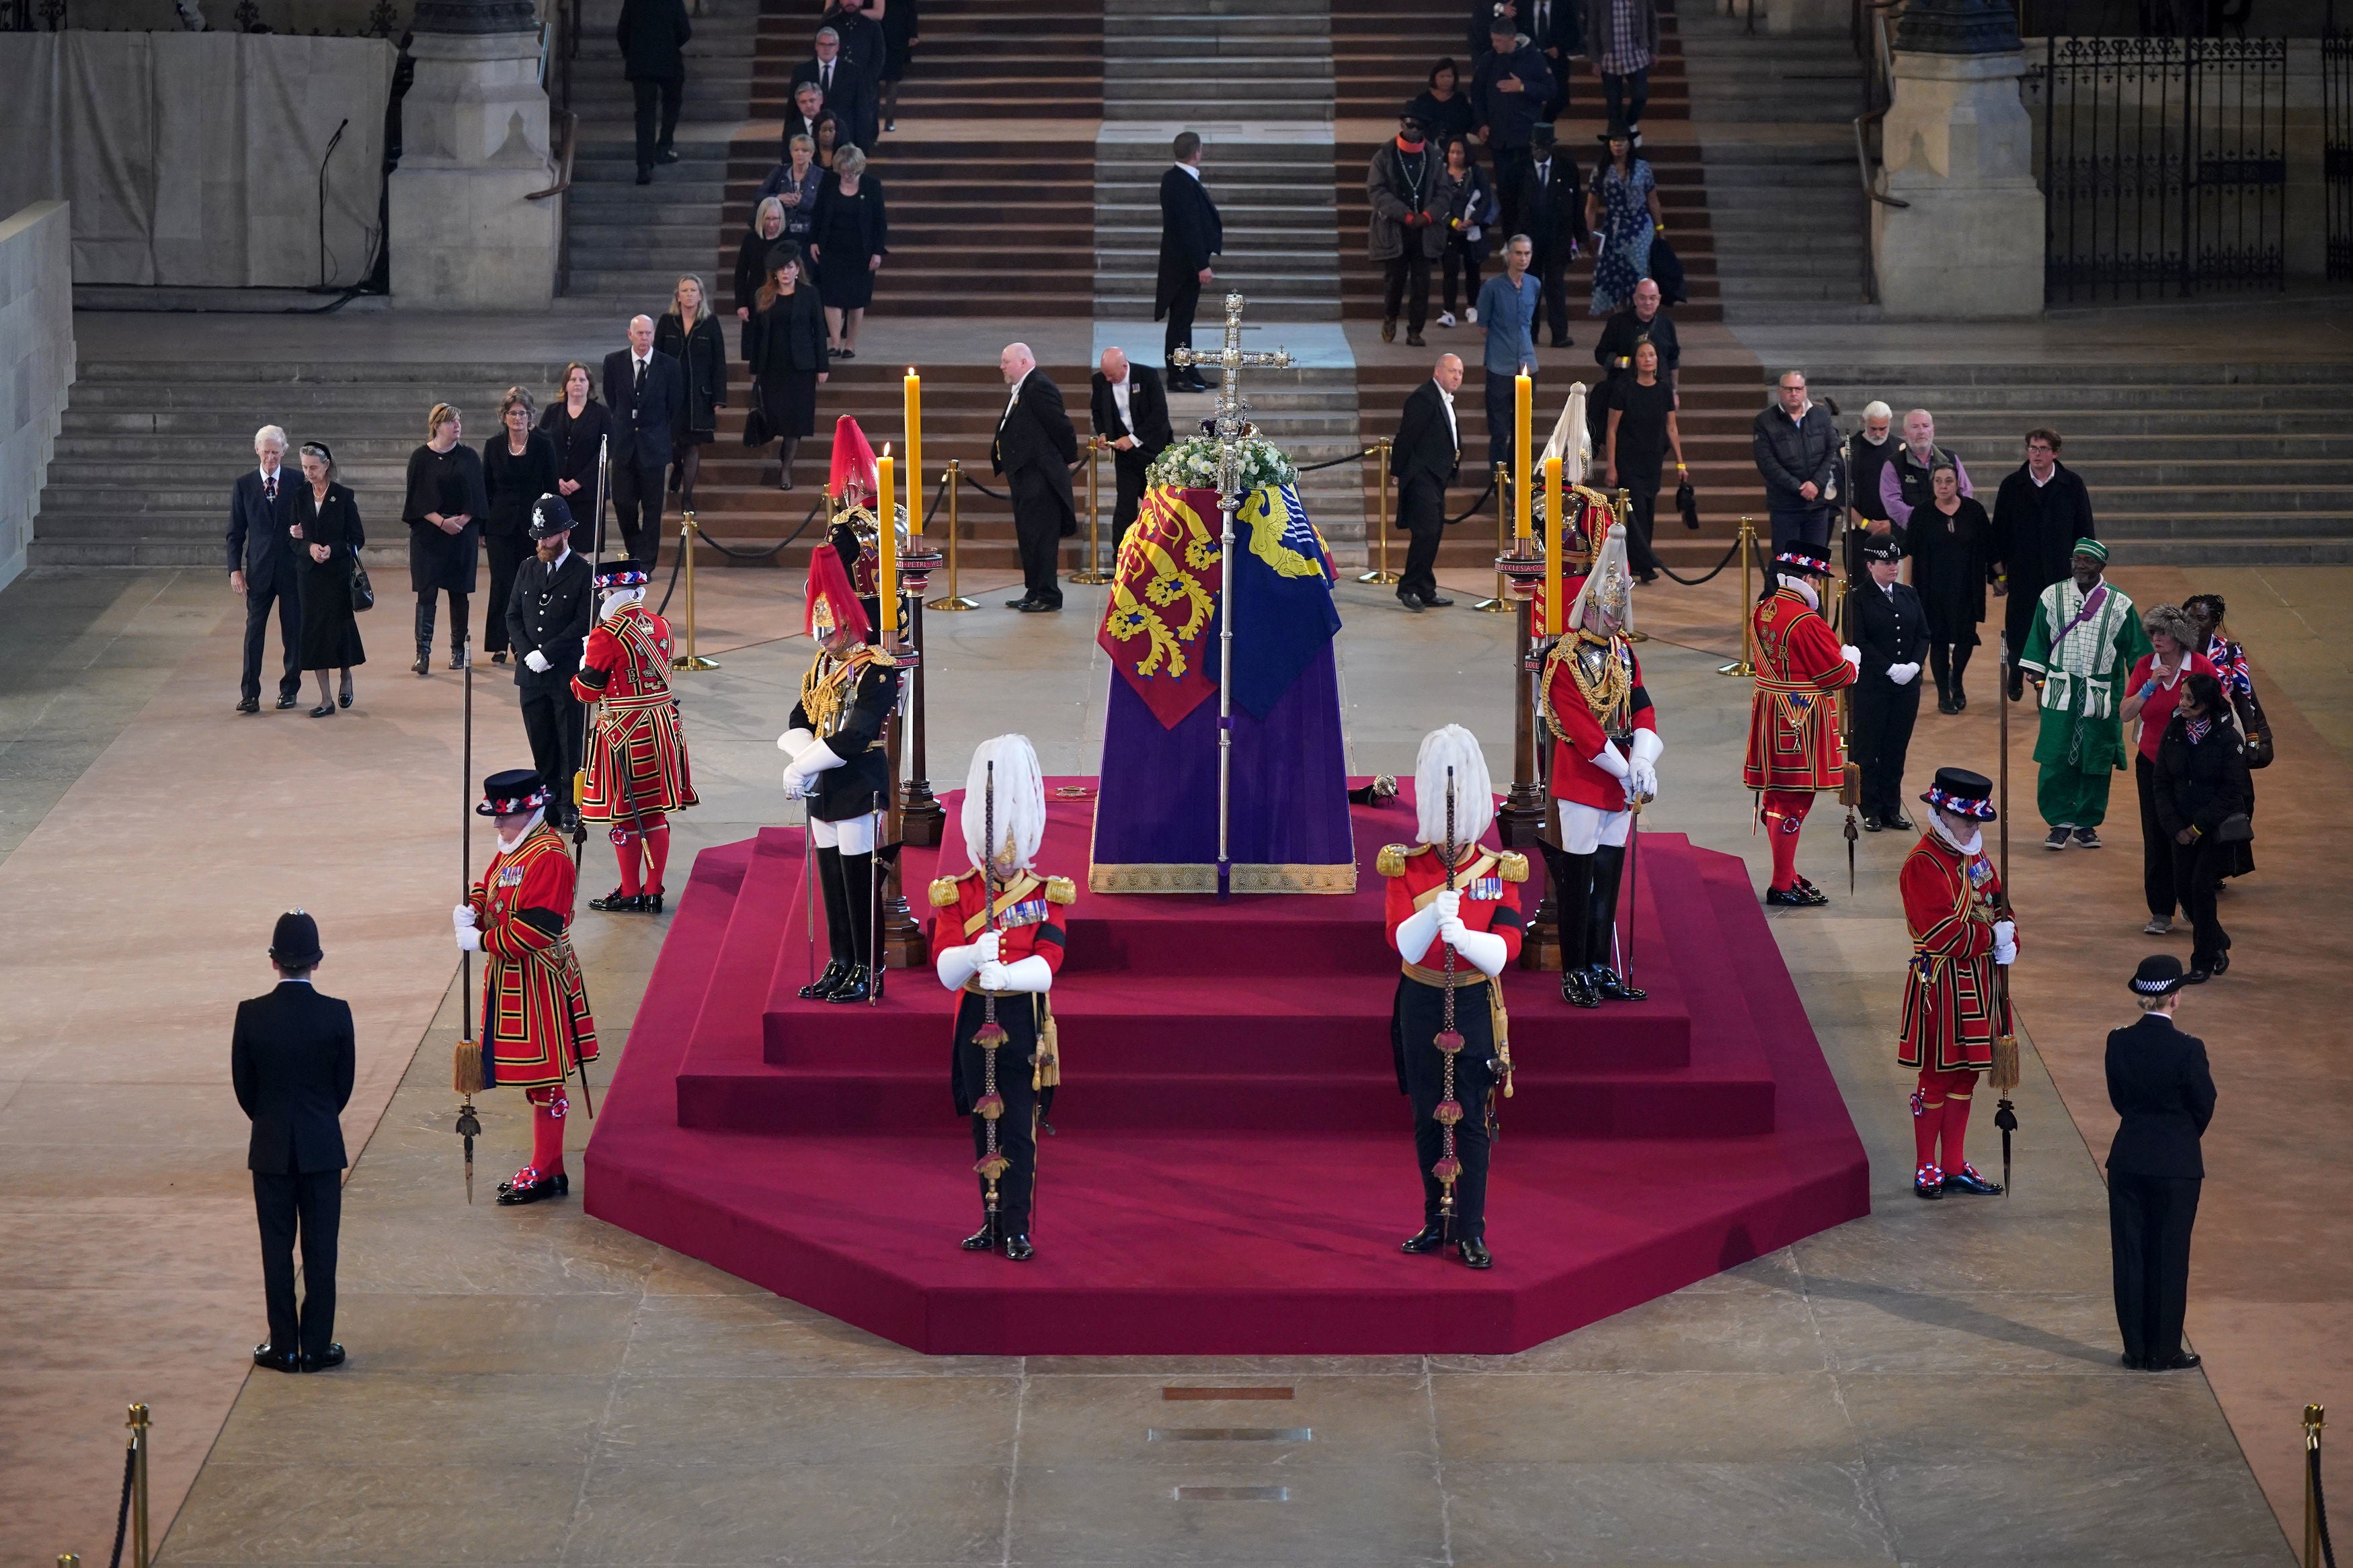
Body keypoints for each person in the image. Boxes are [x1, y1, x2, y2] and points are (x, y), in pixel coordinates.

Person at [1380, 725, 1527, 1271]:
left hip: (1471, 1002)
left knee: (1471, 1122)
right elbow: (1399, 940)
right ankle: (1433, 1218)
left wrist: (1463, 935)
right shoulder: (1407, 864)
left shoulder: (1497, 870)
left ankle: (1471, 1228)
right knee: (1425, 1116)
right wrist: (1431, 916)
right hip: (1420, 1001)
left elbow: (1507, 948)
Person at [929, 734, 1070, 1261]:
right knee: (982, 1125)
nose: (1004, 863)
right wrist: (971, 957)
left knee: (1017, 1129)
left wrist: (1003, 973)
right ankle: (988, 1220)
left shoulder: (1045, 893)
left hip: (1018, 1017)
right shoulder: (958, 891)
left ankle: (1017, 1225)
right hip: (972, 1019)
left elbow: (1049, 965)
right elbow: (944, 967)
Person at [454, 769, 600, 1206]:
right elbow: (491, 883)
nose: (497, 826)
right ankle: (549, 1168)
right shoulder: (517, 846)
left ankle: (544, 1168)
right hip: (512, 979)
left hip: (539, 979)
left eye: (504, 817)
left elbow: (538, 928)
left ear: (530, 810)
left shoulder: (550, 856)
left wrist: (481, 939)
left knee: (546, 1079)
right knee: (538, 1082)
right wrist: (473, 910)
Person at [1539, 529, 1661, 1007]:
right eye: (1609, 611)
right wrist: (1628, 769)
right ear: (1589, 606)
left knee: (1609, 874)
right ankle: (1574, 970)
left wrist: (1644, 759)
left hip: (1618, 779)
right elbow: (1585, 734)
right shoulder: (1562, 661)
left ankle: (1599, 963)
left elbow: (1644, 708)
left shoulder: (1624, 654)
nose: (1616, 620)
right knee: (1578, 875)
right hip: (1584, 780)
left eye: (1619, 611)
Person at [781, 537, 904, 1003]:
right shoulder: (821, 667)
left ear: (849, 622)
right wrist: (801, 763)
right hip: (824, 787)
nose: (823, 640)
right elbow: (799, 718)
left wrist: (805, 763)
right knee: (831, 879)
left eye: (829, 631)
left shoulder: (876, 671)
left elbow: (856, 736)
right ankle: (842, 959)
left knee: (859, 882)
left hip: (857, 785)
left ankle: (868, 968)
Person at [232, 909, 354, 1374]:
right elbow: (342, 1085)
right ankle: (317, 1346)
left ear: (273, 961)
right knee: (322, 1249)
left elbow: (245, 1086)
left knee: (276, 1249)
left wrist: (270, 1120)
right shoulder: (336, 1013)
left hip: (270, 1146)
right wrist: (318, 1119)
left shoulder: (251, 1014)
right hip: (323, 1145)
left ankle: (284, 1346)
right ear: (317, 962)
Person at [1897, 768, 2016, 1199]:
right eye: (1970, 821)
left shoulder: (1976, 856)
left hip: (1980, 982)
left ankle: (1953, 1163)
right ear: (1944, 815)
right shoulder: (1922, 864)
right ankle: (1925, 1163)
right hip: (1942, 984)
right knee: (1937, 1075)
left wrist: (2010, 934)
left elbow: (1999, 901)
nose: (1976, 829)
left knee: (1966, 1075)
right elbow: (1941, 934)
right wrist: (1992, 938)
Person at [2107, 954, 2217, 1370]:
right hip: (2177, 1164)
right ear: (2175, 997)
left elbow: (2120, 1099)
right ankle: (2164, 1349)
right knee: (2170, 1255)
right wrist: (2181, 1138)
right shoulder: (2189, 1048)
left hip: (2129, 1157)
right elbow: (2203, 1103)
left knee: (2131, 1254)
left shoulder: (2118, 1040)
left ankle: (2136, 1348)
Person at [572, 563, 698, 914]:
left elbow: (587, 691)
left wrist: (583, 665)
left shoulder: (605, 635)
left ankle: (630, 891)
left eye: (604, 594)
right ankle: (654, 889)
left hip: (625, 733)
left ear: (612, 595)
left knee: (625, 815)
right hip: (664, 728)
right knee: (655, 811)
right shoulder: (663, 625)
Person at [2018, 538, 2150, 851]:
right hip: (2061, 688)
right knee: (2055, 754)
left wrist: (2141, 690)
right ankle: (2060, 821)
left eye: (2087, 561)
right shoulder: (2052, 595)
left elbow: (2138, 653)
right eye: (2076, 559)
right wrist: (2035, 670)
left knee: (2097, 757)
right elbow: (2039, 634)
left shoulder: (2121, 604)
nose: (2079, 565)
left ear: (2101, 566)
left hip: (2102, 692)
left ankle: (2087, 823)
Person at [1745, 547, 1856, 905]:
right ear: (1807, 578)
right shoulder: (1806, 621)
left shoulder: (1763, 609)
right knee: (1793, 800)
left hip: (1771, 715)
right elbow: (1835, 675)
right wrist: (1852, 661)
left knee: (1779, 796)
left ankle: (1787, 872)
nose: (1820, 588)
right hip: (1799, 720)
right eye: (1819, 580)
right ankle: (1781, 883)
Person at [2121, 604, 2217, 937]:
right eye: (2153, 633)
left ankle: (2192, 904)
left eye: (2163, 633)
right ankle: (2161, 910)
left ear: (2179, 638)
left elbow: (2218, 709)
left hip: (2192, 766)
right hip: (2152, 764)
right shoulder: (2145, 666)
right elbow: (2125, 714)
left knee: (2190, 834)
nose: (2156, 639)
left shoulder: (2201, 667)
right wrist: (2149, 686)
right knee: (2157, 834)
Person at [2151, 671, 2249, 982]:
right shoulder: (2174, 731)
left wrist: (2198, 827)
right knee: (2182, 888)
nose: (2182, 703)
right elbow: (2161, 782)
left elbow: (2234, 791)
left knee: (2200, 888)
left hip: (2213, 831)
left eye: (2189, 699)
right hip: (2180, 829)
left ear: (2206, 704)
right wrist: (2175, 826)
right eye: (2181, 697)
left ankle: (2202, 960)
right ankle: (2216, 940)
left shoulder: (2227, 738)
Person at [507, 496, 596, 833]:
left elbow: (583, 623)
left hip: (565, 675)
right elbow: (513, 615)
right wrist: (527, 652)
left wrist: (549, 654)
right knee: (541, 742)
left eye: (548, 536)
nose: (541, 542)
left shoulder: (583, 573)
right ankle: (548, 801)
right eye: (539, 536)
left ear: (565, 534)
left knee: (569, 742)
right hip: (531, 675)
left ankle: (570, 804)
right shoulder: (528, 568)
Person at [1992, 428, 2095, 698]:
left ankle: (2045, 687)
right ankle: (2016, 671)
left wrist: (2085, 571)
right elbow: (1999, 533)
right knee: (2020, 628)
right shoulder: (2011, 485)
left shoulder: (2072, 485)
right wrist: (1997, 574)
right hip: (2022, 572)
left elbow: (2084, 531)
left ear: (2055, 453)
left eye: (2043, 449)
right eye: (2032, 448)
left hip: (2060, 573)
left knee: (2056, 629)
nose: (2036, 454)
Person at [993, 341, 1079, 613]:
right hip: (1026, 478)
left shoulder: (1039, 385)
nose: (1002, 367)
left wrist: (1065, 459)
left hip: (1041, 479)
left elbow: (1061, 425)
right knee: (1029, 537)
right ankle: (1034, 590)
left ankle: (1049, 595)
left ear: (1023, 361)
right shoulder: (1024, 387)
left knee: (1042, 538)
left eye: (1006, 361)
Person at [2184, 591, 2263, 882]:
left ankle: (2218, 863)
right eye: (2189, 617)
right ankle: (2193, 862)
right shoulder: (2175, 651)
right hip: (2187, 736)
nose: (2194, 623)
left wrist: (2252, 741)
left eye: (2201, 617)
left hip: (2225, 737)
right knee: (2193, 800)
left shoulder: (2230, 651)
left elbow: (2244, 698)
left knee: (2240, 798)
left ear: (2215, 621)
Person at [402, 403, 487, 677]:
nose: (457, 426)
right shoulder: (420, 457)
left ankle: (458, 651)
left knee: (458, 592)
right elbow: (415, 499)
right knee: (426, 592)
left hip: (461, 533)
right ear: (437, 425)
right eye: (451, 422)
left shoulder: (469, 457)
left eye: (459, 421)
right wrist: (441, 522)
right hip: (428, 534)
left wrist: (460, 521)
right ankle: (422, 653)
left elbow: (478, 496)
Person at [227, 424, 305, 713]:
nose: (271, 458)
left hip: (292, 567)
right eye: (266, 452)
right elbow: (235, 533)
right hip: (258, 571)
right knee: (254, 632)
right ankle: (250, 694)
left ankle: (290, 689)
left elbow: (311, 520)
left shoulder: (299, 481)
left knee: (293, 631)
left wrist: (304, 534)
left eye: (276, 452)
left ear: (284, 451)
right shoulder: (244, 485)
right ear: (257, 450)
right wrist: (234, 570)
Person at [1849, 536, 1924, 831]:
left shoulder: (1908, 594)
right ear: (1870, 565)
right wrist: (1891, 667)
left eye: (1896, 561)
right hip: (1873, 687)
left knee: (1896, 749)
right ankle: (1870, 808)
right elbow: (1858, 641)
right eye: (1886, 563)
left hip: (1906, 688)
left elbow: (1923, 634)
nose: (1894, 567)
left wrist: (1914, 666)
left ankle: (1892, 808)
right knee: (1869, 749)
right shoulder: (1858, 597)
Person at [481, 388, 557, 668]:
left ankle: (522, 643)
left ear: (530, 416)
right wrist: (481, 529)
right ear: (504, 417)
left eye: (522, 413)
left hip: (533, 528)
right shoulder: (493, 446)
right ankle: (498, 643)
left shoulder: (543, 445)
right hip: (499, 527)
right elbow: (485, 490)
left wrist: (549, 530)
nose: (517, 418)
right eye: (512, 413)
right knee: (502, 584)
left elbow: (550, 488)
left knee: (530, 585)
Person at [1910, 459, 1993, 714]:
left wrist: (1999, 577)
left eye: (1949, 481)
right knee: (1938, 639)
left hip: (1967, 587)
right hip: (1931, 588)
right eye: (1938, 481)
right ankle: (1944, 695)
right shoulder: (1922, 514)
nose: (1943, 486)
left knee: (1966, 638)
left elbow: (1989, 546)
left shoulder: (1974, 511)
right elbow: (1909, 551)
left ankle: (1956, 680)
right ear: (1932, 485)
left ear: (1958, 484)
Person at [602, 315, 686, 568]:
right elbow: (612, 399)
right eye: (640, 333)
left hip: (654, 445)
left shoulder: (669, 366)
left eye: (649, 334)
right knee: (623, 503)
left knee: (652, 509)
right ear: (630, 334)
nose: (645, 338)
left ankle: (646, 563)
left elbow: (674, 405)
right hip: (624, 444)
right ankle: (635, 549)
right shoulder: (614, 362)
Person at [290, 441, 366, 716]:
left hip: (336, 576)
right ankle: (325, 699)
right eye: (304, 468)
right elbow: (292, 538)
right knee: (314, 633)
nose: (309, 473)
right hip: (308, 576)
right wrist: (308, 547)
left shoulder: (343, 496)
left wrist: (332, 549)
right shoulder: (299, 496)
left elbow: (357, 538)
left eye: (313, 468)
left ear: (327, 466)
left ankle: (346, 676)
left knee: (340, 628)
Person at [746, 243, 830, 491]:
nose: (785, 272)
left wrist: (822, 367)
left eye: (790, 267)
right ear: (774, 272)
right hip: (772, 367)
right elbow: (757, 334)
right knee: (777, 415)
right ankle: (782, 456)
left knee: (796, 420)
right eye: (781, 268)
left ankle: (786, 469)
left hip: (801, 367)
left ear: (797, 269)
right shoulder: (764, 295)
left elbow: (819, 332)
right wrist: (754, 368)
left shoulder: (809, 294)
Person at [1603, 338, 1681, 582]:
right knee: (1636, 511)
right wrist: (1612, 466)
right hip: (1628, 461)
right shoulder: (1624, 389)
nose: (1648, 359)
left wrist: (1681, 462)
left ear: (1657, 360)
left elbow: (1672, 428)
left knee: (1648, 510)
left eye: (1652, 355)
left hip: (1652, 461)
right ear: (1635, 361)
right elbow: (1612, 430)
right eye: (1643, 355)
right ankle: (1643, 564)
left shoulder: (1663, 390)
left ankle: (1640, 562)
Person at [1392, 353, 1465, 612]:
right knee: (1425, 532)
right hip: (1420, 476)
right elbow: (1406, 436)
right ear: (1438, 372)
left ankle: (1425, 587)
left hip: (1436, 478)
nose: (1457, 377)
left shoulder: (1443, 398)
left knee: (1432, 533)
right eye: (1453, 371)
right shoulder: (1423, 398)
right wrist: (1397, 470)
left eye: (1460, 373)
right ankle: (1409, 587)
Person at [1369, 107, 1443, 347]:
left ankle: (1415, 331)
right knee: (1395, 281)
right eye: (1410, 125)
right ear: (1401, 124)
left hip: (1425, 230)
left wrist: (1428, 215)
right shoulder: (1385, 155)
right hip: (1395, 229)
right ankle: (1390, 317)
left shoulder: (1433, 156)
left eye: (1419, 128)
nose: (1414, 131)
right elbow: (1377, 191)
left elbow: (1444, 192)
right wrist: (1405, 215)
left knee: (1422, 284)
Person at [654, 275, 728, 510]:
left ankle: (688, 496)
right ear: (678, 295)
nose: (688, 294)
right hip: (672, 394)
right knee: (674, 442)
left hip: (700, 394)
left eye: (693, 290)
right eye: (684, 290)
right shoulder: (667, 322)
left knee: (694, 445)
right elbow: (657, 358)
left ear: (700, 295)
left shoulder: (710, 322)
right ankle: (677, 468)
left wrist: (719, 397)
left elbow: (719, 362)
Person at [1157, 132, 1223, 392]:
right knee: (1180, 322)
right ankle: (1178, 375)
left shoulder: (1176, 179)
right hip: (1182, 267)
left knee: (1184, 321)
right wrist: (1201, 264)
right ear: (1197, 153)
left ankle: (1188, 370)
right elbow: (1189, 227)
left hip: (1181, 264)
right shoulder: (1181, 182)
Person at [809, 145, 887, 359]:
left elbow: (880, 222)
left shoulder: (872, 186)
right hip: (832, 249)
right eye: (843, 171)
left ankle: (850, 344)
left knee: (856, 299)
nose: (847, 176)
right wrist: (814, 241)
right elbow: (818, 213)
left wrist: (878, 252)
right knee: (831, 297)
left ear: (860, 168)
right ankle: (834, 342)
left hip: (861, 252)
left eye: (852, 172)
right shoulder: (829, 182)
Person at [1751, 370, 1840, 554]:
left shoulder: (1821, 414)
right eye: (1789, 389)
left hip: (1817, 505)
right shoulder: (1765, 421)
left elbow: (1832, 451)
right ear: (1780, 391)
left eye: (1798, 389)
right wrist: (1800, 488)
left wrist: (1816, 484)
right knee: (1787, 566)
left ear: (1805, 391)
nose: (1794, 393)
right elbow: (1767, 463)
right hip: (1785, 507)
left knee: (1815, 565)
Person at [1090, 346, 1174, 540]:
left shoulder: (1147, 376)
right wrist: (1103, 433)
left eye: (1111, 375)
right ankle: (1120, 559)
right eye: (1105, 375)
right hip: (1126, 456)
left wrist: (1133, 439)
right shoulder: (1100, 381)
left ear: (1125, 366)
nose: (1108, 379)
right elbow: (1098, 412)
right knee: (1124, 508)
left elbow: (1160, 414)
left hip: (1154, 452)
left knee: (1158, 505)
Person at [1472, 15, 1552, 216]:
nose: (1495, 44)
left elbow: (1551, 90)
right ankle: (1510, 236)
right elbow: (1478, 95)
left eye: (1499, 40)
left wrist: (1524, 87)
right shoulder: (1488, 60)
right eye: (1493, 40)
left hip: (1526, 137)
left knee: (1529, 188)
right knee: (1506, 189)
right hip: (1500, 137)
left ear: (1512, 38)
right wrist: (1481, 124)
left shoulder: (1533, 58)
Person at [1474, 233, 1540, 473]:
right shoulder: (1492, 287)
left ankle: (1518, 478)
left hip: (1528, 363)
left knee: (1523, 429)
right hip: (1499, 365)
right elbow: (1483, 326)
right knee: (1500, 430)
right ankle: (1500, 480)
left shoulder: (1534, 284)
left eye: (1527, 253)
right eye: (1519, 253)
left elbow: (1530, 321)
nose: (1523, 258)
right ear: (1509, 256)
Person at [1589, 276, 1678, 447]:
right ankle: (1584, 457)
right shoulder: (1618, 323)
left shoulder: (1666, 325)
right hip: (1624, 386)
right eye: (1643, 298)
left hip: (1657, 389)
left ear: (1658, 300)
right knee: (1600, 396)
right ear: (1635, 299)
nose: (1647, 303)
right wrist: (1626, 362)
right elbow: (1601, 354)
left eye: (1652, 298)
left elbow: (1673, 360)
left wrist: (1674, 391)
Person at [1514, 124, 1581, 349]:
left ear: (1551, 146)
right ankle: (1529, 334)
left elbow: (1576, 205)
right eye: (1534, 146)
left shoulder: (1566, 168)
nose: (1538, 151)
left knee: (1555, 286)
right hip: (1528, 239)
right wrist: (1512, 238)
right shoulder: (1520, 168)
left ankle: (1559, 334)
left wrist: (1579, 237)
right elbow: (1510, 204)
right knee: (1529, 288)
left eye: (1542, 146)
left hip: (1557, 238)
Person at [1585, 124, 1661, 319]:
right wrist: (1589, 233)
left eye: (1622, 140)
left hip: (1640, 226)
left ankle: (1640, 314)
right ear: (1609, 144)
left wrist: (1660, 228)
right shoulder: (1601, 170)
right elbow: (1592, 206)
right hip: (1614, 228)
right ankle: (1620, 318)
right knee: (1614, 272)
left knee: (1638, 269)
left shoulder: (1642, 168)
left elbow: (1652, 200)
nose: (1618, 144)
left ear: (1629, 143)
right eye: (1614, 141)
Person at [614, 0, 690, 185]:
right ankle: (664, 146)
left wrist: (630, 53)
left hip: (641, 63)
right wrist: (670, 42)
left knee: (645, 114)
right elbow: (685, 31)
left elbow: (622, 32)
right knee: (672, 103)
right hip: (668, 60)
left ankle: (644, 166)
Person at [538, 363, 613, 544]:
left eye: (582, 379)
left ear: (589, 384)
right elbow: (542, 447)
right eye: (573, 379)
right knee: (555, 544)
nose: (577, 383)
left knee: (584, 545)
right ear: (566, 384)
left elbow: (606, 450)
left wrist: (579, 482)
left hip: (588, 491)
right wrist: (556, 479)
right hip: (557, 489)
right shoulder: (552, 411)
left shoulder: (601, 413)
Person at [1435, 134, 1496, 330]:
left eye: (1459, 152)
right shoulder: (1441, 173)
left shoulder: (1475, 172)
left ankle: (1472, 307)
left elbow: (1486, 198)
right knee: (1450, 272)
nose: (1455, 156)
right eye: (1452, 152)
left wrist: (1472, 220)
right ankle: (1449, 312)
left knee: (1473, 270)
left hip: (1472, 230)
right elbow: (1437, 201)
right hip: (1450, 230)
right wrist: (1453, 221)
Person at [1878, 407, 1971, 532]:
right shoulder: (1893, 464)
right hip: (1910, 538)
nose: (1921, 431)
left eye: (1926, 426)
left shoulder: (1950, 458)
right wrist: (1925, 521)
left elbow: (1966, 491)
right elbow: (1892, 504)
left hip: (1950, 534)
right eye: (1915, 427)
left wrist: (1952, 516)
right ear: (1905, 432)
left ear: (1933, 430)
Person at [792, 28, 878, 152]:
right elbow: (793, 110)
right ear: (816, 46)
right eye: (822, 44)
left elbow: (861, 110)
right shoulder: (802, 72)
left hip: (844, 139)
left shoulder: (853, 72)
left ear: (838, 47)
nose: (827, 48)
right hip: (810, 140)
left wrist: (863, 145)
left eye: (831, 45)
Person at [1585, 0, 1657, 135]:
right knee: (1613, 104)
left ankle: (1629, 124)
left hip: (1637, 55)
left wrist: (1653, 50)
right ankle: (1614, 138)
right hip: (1610, 58)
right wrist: (1595, 59)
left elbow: (1652, 21)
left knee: (1640, 96)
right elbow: (1593, 27)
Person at [1843, 400, 1897, 580]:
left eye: (1883, 428)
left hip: (1893, 530)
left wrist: (1892, 524)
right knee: (1859, 585)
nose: (1878, 433)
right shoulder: (1847, 450)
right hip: (1858, 531)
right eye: (1874, 428)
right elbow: (1839, 496)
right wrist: (1867, 525)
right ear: (1863, 422)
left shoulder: (1899, 449)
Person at [733, 195, 792, 361]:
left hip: (781, 298)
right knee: (755, 349)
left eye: (776, 219)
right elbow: (741, 273)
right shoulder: (751, 240)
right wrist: (741, 304)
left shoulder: (787, 240)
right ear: (761, 218)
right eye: (768, 219)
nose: (772, 224)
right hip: (756, 299)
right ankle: (755, 384)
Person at [759, 131, 826, 248]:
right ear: (791, 152)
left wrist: (802, 203)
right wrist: (778, 198)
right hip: (782, 230)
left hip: (808, 233)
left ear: (811, 154)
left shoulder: (821, 176)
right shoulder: (780, 171)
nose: (800, 153)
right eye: (796, 150)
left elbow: (824, 207)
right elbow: (759, 196)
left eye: (805, 151)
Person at [1408, 57, 1477, 150]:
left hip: (1455, 146)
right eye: (1442, 76)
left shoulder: (1460, 98)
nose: (1446, 80)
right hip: (1429, 147)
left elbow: (1467, 123)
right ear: (1434, 77)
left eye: (1449, 76)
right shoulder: (1423, 99)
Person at [872, 0, 918, 132]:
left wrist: (913, 33)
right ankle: (874, 121)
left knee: (892, 79)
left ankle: (889, 120)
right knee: (874, 79)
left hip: (897, 32)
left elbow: (910, 7)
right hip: (875, 31)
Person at [779, 83, 829, 166]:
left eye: (812, 100)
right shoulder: (791, 130)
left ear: (821, 100)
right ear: (798, 104)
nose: (808, 105)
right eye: (803, 102)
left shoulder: (835, 125)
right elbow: (787, 160)